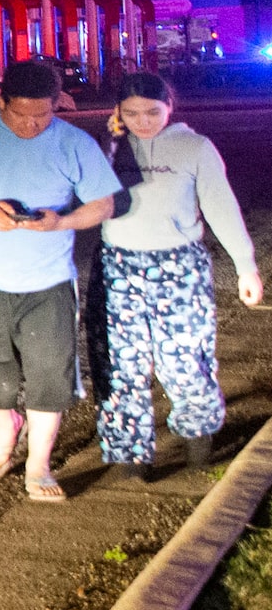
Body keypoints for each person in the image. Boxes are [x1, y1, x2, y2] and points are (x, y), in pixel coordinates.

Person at [0, 60, 121, 500]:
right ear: (1, 102)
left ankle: (39, 466)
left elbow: (103, 205)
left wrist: (62, 221)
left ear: (58, 105)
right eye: (20, 115)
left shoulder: (74, 143)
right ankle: (6, 423)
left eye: (43, 115)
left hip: (48, 283)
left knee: (50, 375)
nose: (32, 125)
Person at [95, 70, 263, 481]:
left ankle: (198, 439)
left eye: (153, 112)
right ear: (118, 112)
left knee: (185, 357)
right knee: (122, 364)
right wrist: (110, 143)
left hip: (179, 265)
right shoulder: (110, 148)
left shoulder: (195, 147)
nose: (144, 121)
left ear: (170, 105)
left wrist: (246, 266)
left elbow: (222, 207)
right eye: (132, 113)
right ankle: (129, 454)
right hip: (120, 266)